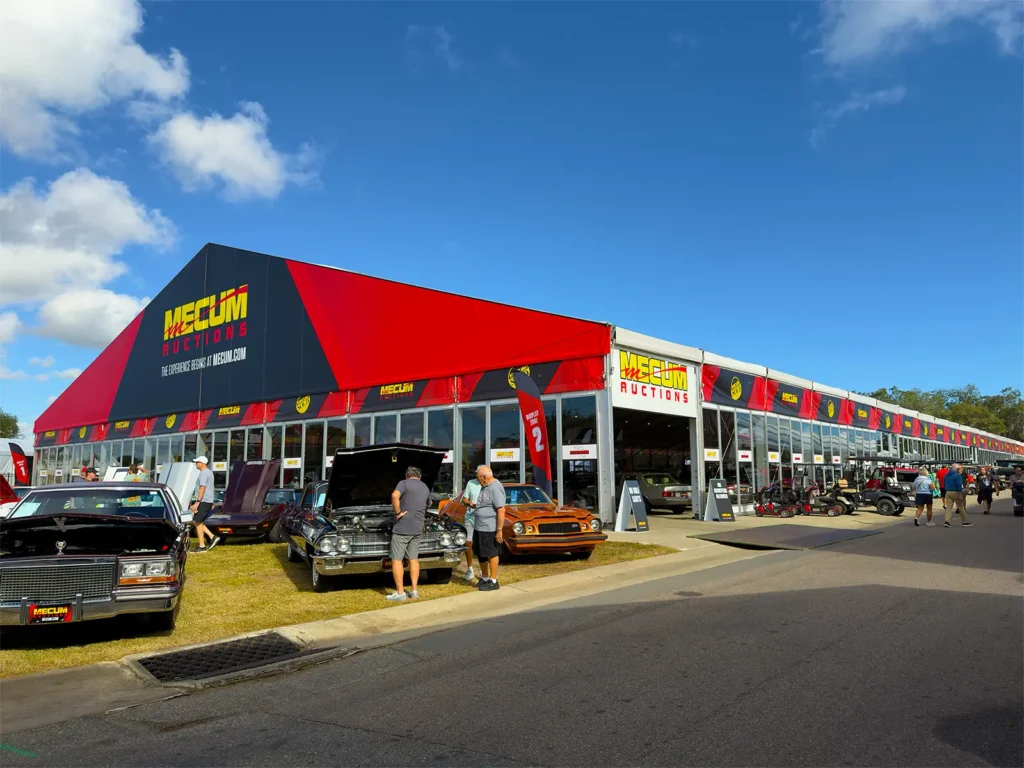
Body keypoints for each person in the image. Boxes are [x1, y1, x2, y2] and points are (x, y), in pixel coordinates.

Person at [387, 466, 430, 602]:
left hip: (403, 527)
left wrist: (398, 513)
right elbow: (429, 503)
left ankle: (400, 593)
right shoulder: (425, 487)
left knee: (397, 559)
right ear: (420, 476)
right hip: (418, 527)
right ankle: (414, 590)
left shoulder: (403, 483)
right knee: (413, 558)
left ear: (407, 475)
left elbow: (394, 495)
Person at [472, 465, 506, 592]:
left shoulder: (495, 487)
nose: (478, 480)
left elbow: (501, 509)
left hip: (489, 527)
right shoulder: (485, 486)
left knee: (491, 552)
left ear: (484, 476)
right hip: (480, 526)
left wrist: (499, 530)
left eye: (478, 477)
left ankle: (493, 580)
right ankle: (485, 578)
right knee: (481, 553)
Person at [190, 456, 220, 552]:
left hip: (203, 500)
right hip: (207, 500)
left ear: (202, 463)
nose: (196, 464)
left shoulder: (203, 473)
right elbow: (211, 487)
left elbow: (202, 488)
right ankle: (212, 537)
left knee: (197, 522)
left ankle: (202, 546)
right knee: (197, 521)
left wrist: (197, 502)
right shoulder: (209, 472)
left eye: (197, 462)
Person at [460, 476, 482, 582]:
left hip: (483, 518)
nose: (478, 477)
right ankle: (470, 569)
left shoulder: (491, 484)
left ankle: (484, 570)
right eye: (477, 475)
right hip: (470, 517)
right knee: (468, 543)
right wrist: (469, 503)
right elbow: (464, 499)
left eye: (480, 475)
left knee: (482, 543)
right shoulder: (471, 483)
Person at [943, 462, 972, 528]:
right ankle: (965, 521)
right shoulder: (957, 475)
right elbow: (959, 485)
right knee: (960, 506)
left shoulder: (947, 475)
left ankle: (947, 521)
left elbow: (944, 483)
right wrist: (960, 494)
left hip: (948, 491)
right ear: (957, 468)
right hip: (956, 492)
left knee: (949, 507)